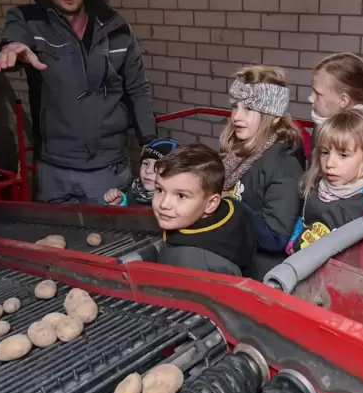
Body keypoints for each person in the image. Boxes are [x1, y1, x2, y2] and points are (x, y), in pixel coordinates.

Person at [0, 0, 156, 204]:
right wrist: (10, 46)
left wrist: (151, 143)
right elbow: (15, 34)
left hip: (107, 168)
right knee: (57, 239)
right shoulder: (30, 22)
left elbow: (137, 90)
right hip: (54, 170)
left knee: (113, 238)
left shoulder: (117, 29)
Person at [219, 65, 304, 280]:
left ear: (273, 116)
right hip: (234, 260)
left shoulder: (283, 165)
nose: (236, 116)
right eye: (235, 106)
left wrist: (228, 204)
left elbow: (276, 236)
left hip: (260, 275)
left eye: (248, 108)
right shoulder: (236, 152)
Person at [287, 109, 363, 254]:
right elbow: (305, 220)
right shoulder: (316, 187)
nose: (330, 163)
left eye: (343, 155)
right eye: (325, 152)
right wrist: (294, 245)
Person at [153, 144, 255, 276]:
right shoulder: (235, 209)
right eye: (160, 190)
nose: (164, 204)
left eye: (181, 196)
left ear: (211, 203)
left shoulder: (191, 264)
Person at [104, 137, 179, 206]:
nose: (148, 170)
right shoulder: (133, 190)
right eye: (146, 163)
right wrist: (120, 203)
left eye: (158, 167)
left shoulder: (175, 205)